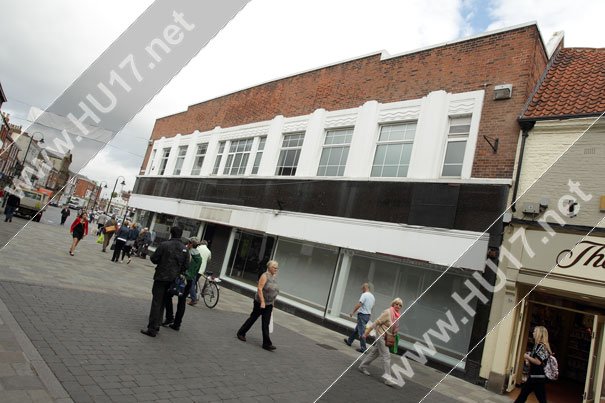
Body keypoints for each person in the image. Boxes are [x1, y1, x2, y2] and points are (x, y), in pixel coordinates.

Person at [140, 227, 188, 337]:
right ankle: (157, 323)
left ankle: (152, 328)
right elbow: (186, 266)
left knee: (157, 302)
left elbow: (154, 259)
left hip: (161, 277)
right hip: (173, 280)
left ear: (171, 234)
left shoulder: (164, 245)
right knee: (163, 301)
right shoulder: (184, 249)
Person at [358, 298, 403, 387]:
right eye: (396, 304)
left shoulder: (397, 315)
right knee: (386, 356)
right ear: (393, 304)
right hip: (381, 335)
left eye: (400, 305)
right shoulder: (388, 312)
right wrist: (366, 332)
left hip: (387, 336)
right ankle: (388, 379)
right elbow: (376, 322)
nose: (398, 306)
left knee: (375, 352)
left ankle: (362, 366)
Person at [236, 260, 280, 351]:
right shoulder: (264, 276)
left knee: (266, 323)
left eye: (277, 267)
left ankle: (266, 344)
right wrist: (262, 302)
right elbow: (259, 289)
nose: (276, 269)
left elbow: (275, 290)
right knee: (253, 318)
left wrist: (273, 303)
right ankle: (241, 333)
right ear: (269, 267)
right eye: (274, 267)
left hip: (269, 304)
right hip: (260, 302)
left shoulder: (274, 276)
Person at [163, 237, 201, 331]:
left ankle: (169, 317)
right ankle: (177, 323)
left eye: (188, 242)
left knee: (168, 295)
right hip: (190, 280)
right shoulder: (199, 257)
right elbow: (197, 270)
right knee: (182, 301)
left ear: (191, 244)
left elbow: (180, 264)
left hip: (181, 278)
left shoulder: (186, 252)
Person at [514, 326, 552, 403]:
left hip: (537, 378)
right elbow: (535, 362)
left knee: (525, 396)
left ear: (539, 334)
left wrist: (527, 356)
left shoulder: (541, 346)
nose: (533, 333)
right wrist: (528, 360)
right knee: (523, 395)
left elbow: (538, 362)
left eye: (535, 331)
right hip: (535, 376)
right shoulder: (537, 346)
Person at [344, 283, 375, 353]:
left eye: (362, 289)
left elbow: (359, 304)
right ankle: (349, 341)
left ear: (365, 288)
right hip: (367, 315)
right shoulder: (372, 297)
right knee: (357, 330)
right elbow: (372, 307)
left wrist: (353, 312)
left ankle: (363, 348)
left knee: (361, 332)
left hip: (362, 315)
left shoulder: (364, 295)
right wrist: (369, 315)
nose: (362, 290)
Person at [188, 240, 212, 306]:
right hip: (201, 270)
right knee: (193, 282)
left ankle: (194, 298)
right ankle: (191, 294)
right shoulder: (208, 251)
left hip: (195, 268)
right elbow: (209, 259)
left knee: (191, 283)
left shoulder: (197, 248)